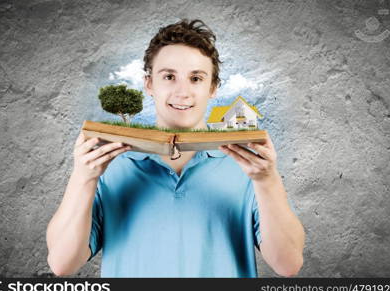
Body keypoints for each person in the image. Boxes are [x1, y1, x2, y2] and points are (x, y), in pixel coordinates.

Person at [46, 19, 305, 277]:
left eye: (196, 78)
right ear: (149, 84)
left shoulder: (248, 167)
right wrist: (83, 177)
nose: (183, 92)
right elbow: (62, 264)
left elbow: (289, 264)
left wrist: (267, 180)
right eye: (169, 76)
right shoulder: (109, 164)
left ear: (213, 87)